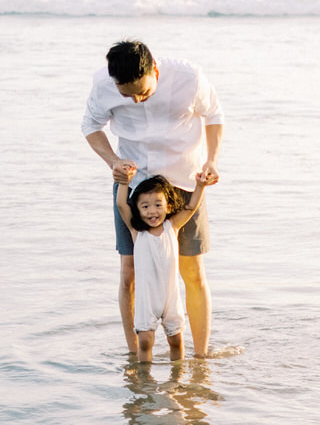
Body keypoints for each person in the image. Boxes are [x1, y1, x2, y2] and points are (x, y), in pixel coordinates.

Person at [82, 40, 224, 359]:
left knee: (192, 270)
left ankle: (200, 356)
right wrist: (113, 161)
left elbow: (214, 115)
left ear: (154, 70)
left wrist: (212, 160)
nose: (135, 98)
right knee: (129, 272)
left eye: (143, 92)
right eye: (126, 94)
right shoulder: (103, 85)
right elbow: (90, 126)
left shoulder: (189, 78)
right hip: (135, 187)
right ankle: (136, 356)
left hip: (185, 180)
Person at [116, 172, 206, 362]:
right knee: (145, 341)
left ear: (169, 206)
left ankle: (176, 378)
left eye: (158, 205)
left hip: (170, 297)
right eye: (145, 206)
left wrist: (200, 186)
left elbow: (190, 207)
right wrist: (124, 182)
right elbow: (121, 205)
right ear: (138, 210)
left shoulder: (171, 227)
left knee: (175, 340)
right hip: (146, 299)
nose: (152, 211)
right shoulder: (137, 232)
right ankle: (144, 382)